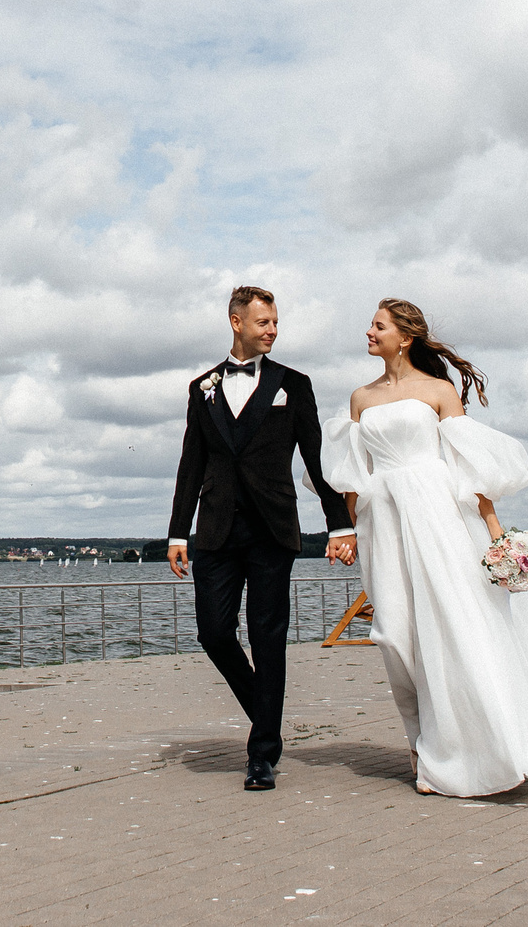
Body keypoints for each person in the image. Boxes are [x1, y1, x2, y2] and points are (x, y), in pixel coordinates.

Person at [324, 298, 528, 797]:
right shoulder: (360, 398)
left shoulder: (439, 391)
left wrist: (495, 532)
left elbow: (470, 465)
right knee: (396, 635)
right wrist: (350, 531)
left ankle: (458, 751)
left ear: (405, 337)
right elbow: (354, 477)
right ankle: (422, 739)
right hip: (385, 524)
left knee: (458, 628)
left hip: (440, 517)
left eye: (378, 326)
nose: (369, 333)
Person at [166, 284, 358, 792]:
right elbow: (191, 465)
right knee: (213, 633)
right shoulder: (201, 387)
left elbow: (316, 459)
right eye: (263, 322)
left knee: (267, 637)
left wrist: (340, 524)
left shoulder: (294, 384)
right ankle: (266, 713)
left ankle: (262, 755)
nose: (272, 330)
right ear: (237, 323)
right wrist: (177, 532)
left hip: (272, 530)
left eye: (275, 322)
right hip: (215, 530)